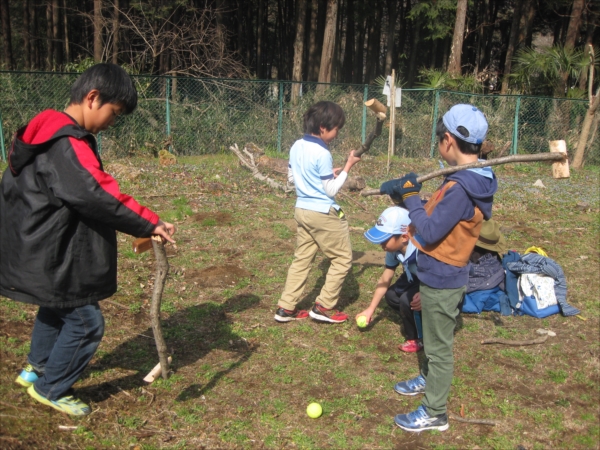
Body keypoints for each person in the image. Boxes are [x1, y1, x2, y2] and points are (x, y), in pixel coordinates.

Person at [0, 63, 176, 416]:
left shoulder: (42, 135)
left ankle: (35, 369)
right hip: (55, 251)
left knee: (57, 306)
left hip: (39, 247)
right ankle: (52, 387)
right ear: (93, 98)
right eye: (114, 113)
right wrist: (148, 222)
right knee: (85, 322)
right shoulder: (67, 143)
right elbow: (96, 193)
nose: (113, 122)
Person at [380, 104, 497, 432]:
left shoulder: (462, 187)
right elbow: (440, 214)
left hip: (443, 279)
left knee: (439, 347)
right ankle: (429, 379)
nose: (437, 145)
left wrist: (413, 198)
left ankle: (435, 411)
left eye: (438, 140)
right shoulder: (465, 180)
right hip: (438, 275)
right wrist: (407, 197)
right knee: (432, 341)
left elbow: (430, 232)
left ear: (448, 140)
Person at [274, 101, 361, 324]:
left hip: (301, 209)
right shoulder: (322, 152)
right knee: (342, 259)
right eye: (336, 129)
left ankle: (286, 307)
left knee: (302, 258)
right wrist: (348, 166)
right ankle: (324, 306)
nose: (336, 134)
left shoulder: (296, 146)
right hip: (322, 212)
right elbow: (330, 189)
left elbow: (293, 179)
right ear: (323, 127)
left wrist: (324, 175)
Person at [357, 206, 424, 352]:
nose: (381, 245)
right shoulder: (394, 249)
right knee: (392, 295)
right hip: (414, 276)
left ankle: (418, 337)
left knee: (408, 299)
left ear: (404, 236)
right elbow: (386, 276)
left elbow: (439, 276)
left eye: (385, 239)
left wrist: (426, 294)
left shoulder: (422, 250)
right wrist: (370, 309)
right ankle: (417, 314)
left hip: (434, 281)